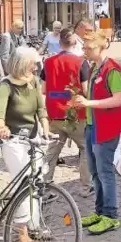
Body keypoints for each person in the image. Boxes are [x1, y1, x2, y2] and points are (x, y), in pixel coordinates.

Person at [0, 47, 50, 242]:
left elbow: (41, 110)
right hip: (13, 139)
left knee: (39, 178)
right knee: (24, 184)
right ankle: (21, 232)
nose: (36, 67)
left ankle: (34, 223)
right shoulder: (6, 86)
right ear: (22, 64)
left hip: (32, 138)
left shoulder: (33, 81)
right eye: (33, 64)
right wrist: (2, 127)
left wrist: (46, 131)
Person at [73, 32, 121, 235]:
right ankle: (100, 211)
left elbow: (117, 100)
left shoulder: (112, 69)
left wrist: (89, 102)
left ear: (100, 48)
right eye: (84, 47)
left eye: (88, 48)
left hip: (106, 127)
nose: (84, 51)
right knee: (95, 172)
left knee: (105, 172)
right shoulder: (96, 67)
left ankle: (111, 216)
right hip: (92, 125)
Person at [41, 28, 92, 197]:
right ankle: (85, 188)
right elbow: (85, 90)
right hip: (76, 114)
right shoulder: (81, 62)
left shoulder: (48, 62)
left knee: (52, 152)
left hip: (54, 113)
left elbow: (43, 89)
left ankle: (44, 187)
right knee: (85, 149)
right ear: (75, 43)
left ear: (60, 42)